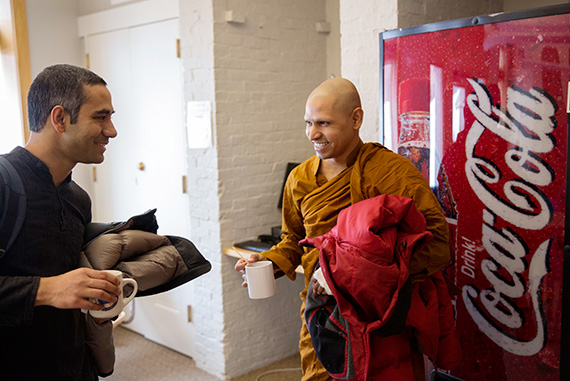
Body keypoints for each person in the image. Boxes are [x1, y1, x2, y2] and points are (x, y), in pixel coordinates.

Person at [235, 77, 451, 380]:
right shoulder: (300, 179)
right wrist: (270, 261)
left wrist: (371, 275)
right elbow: (294, 240)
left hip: (380, 320)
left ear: (356, 119)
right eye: (308, 122)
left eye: (323, 123)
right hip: (322, 314)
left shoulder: (391, 172)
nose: (313, 134)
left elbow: (438, 245)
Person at [0, 64, 122, 380]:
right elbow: (58, 290)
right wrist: (49, 289)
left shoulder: (79, 200)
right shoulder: (3, 184)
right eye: (100, 117)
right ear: (60, 119)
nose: (111, 131)